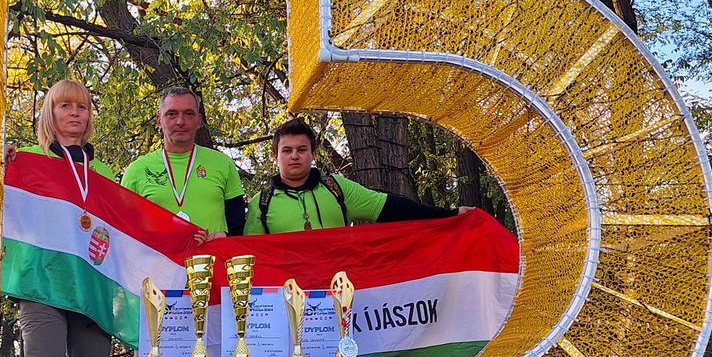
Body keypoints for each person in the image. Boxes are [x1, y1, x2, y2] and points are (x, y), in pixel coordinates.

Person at [1, 79, 116, 357]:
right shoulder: (26, 159)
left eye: (83, 107)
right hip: (41, 284)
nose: (75, 113)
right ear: (50, 113)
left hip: (90, 287)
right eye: (65, 105)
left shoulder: (102, 173)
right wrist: (0, 163)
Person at [245, 118, 474, 235]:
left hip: (339, 294)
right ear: (276, 155)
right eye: (287, 150)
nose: (294, 156)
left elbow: (391, 208)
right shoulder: (261, 204)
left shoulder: (337, 188)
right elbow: (249, 259)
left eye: (302, 149)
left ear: (313, 154)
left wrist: (451, 215)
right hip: (287, 301)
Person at [121, 87, 245, 244]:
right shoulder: (136, 171)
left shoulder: (222, 164)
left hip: (212, 265)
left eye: (189, 114)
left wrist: (222, 236)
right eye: (171, 114)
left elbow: (239, 227)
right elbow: (123, 232)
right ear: (159, 120)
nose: (180, 121)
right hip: (158, 266)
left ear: (199, 120)